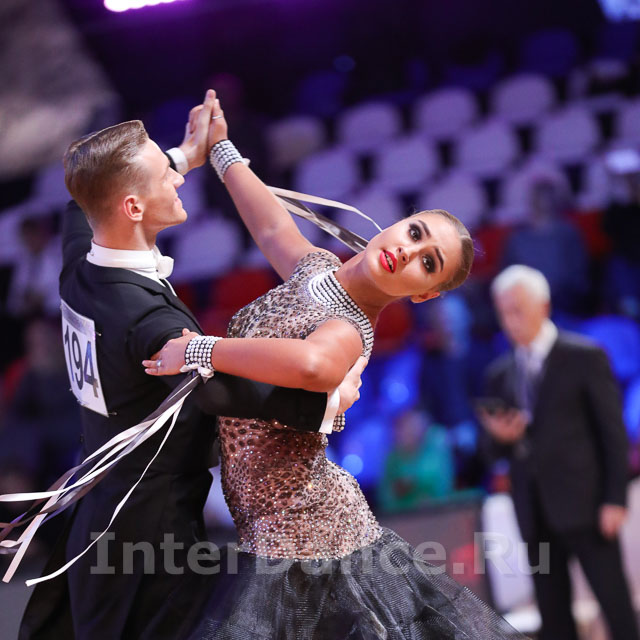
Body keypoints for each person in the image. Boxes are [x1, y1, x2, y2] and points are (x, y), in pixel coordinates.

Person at [144, 96, 525, 639]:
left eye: (428, 263)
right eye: (415, 233)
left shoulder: (351, 328)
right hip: (271, 528)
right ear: (398, 223)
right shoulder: (317, 269)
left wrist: (203, 350)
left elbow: (312, 365)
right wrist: (221, 149)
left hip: (306, 533)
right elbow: (272, 228)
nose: (408, 251)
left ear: (424, 294)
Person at [18, 90, 365, 640]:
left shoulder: (81, 259)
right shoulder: (145, 321)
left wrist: (186, 152)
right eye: (166, 175)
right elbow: (224, 391)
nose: (178, 179)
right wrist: (326, 403)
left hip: (99, 516)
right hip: (149, 538)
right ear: (133, 208)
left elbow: (79, 204)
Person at [480, 265, 638, 640]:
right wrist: (499, 437)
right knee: (553, 617)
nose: (510, 321)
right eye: (503, 312)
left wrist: (615, 498)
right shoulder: (500, 374)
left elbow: (612, 434)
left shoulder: (584, 356)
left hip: (588, 506)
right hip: (535, 512)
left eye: (517, 310)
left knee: (614, 603)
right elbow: (491, 453)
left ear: (544, 306)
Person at [377, 408, 455, 513]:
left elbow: (444, 487)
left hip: (437, 512)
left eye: (413, 428)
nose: (410, 432)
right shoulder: (391, 459)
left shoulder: (435, 454)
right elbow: (384, 497)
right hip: (401, 515)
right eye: (404, 428)